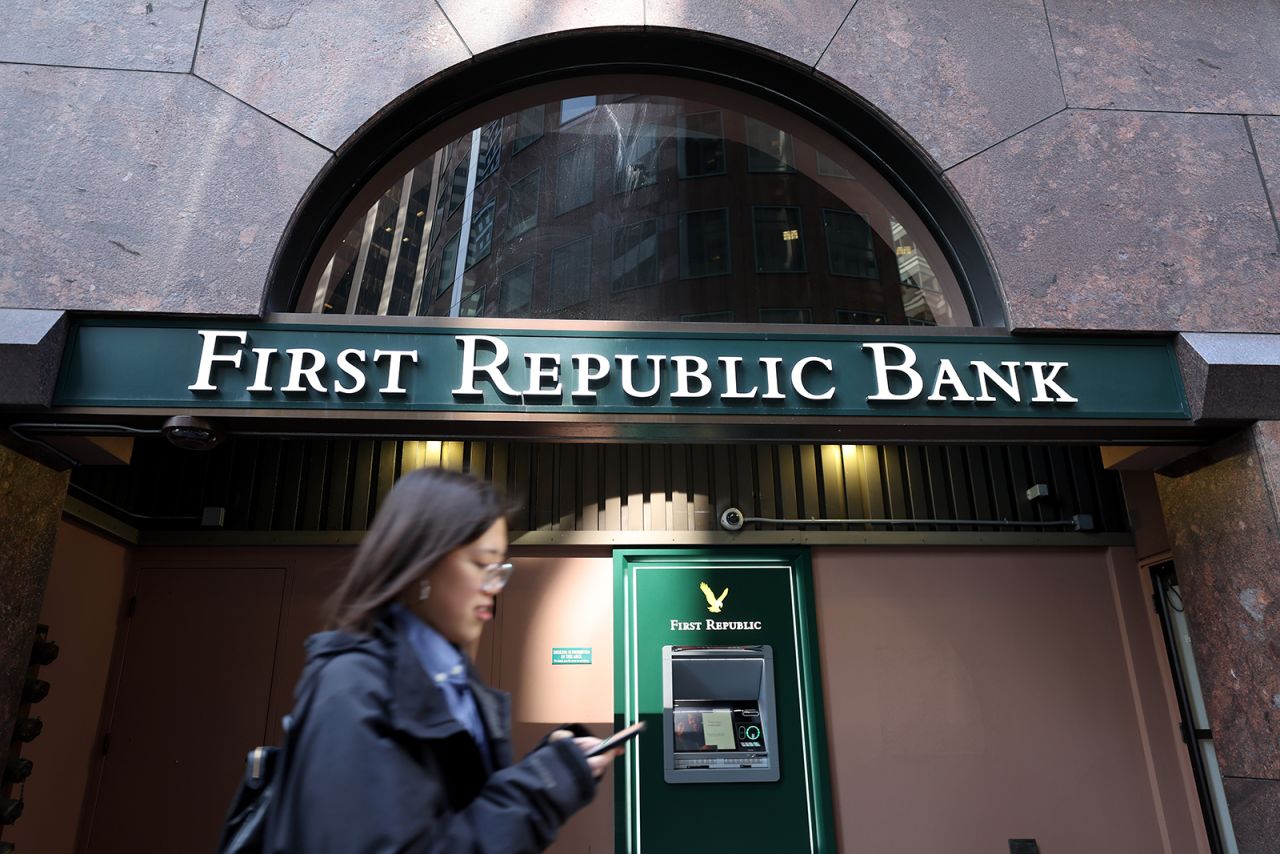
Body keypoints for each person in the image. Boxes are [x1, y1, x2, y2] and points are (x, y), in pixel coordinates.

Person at [263, 468, 618, 852]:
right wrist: (545, 784)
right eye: (482, 564)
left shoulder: (452, 682)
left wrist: (552, 767)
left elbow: (461, 815)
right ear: (422, 562)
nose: (493, 587)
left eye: (500, 569)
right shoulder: (352, 687)